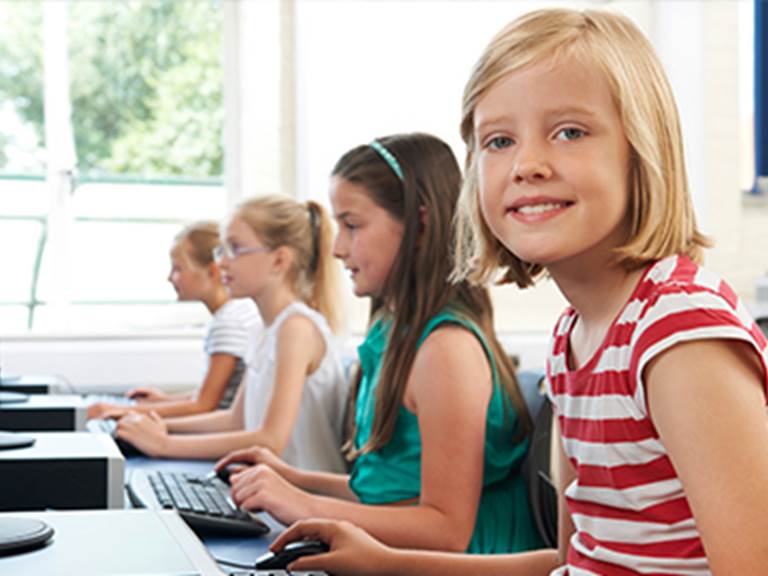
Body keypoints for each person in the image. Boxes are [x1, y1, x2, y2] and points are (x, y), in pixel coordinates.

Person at [267, 8, 768, 576]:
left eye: (570, 132)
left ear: (642, 151)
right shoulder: (573, 337)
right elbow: (570, 563)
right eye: (499, 140)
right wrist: (384, 562)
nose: (527, 164)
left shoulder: (678, 332)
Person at [215, 133, 541, 555]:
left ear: (419, 225)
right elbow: (389, 492)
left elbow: (446, 529)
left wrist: (305, 505)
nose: (336, 248)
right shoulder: (395, 335)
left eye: (351, 225)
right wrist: (293, 478)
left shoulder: (446, 349)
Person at [116, 195, 350, 473]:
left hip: (301, 501)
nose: (223, 263)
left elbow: (270, 440)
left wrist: (164, 444)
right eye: (221, 250)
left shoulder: (296, 329)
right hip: (265, 489)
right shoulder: (264, 328)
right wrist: (155, 425)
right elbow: (234, 421)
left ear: (279, 260)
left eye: (235, 249)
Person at [87, 221, 261, 421]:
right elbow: (211, 396)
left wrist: (118, 411)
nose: (170, 278)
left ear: (213, 271)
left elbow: (203, 406)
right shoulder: (235, 313)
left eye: (178, 269)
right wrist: (164, 400)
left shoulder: (229, 322)